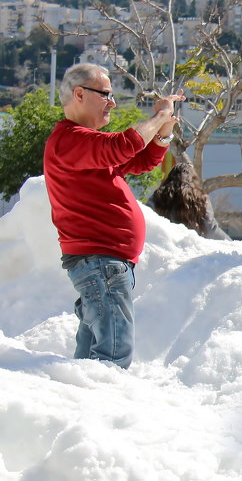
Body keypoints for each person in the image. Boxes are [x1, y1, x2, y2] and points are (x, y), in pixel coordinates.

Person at [43, 63, 184, 369]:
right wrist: (158, 116)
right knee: (112, 359)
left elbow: (143, 160)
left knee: (91, 361)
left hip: (103, 264)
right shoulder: (71, 140)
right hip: (101, 263)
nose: (112, 102)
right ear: (80, 93)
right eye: (106, 94)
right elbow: (124, 146)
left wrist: (166, 127)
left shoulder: (83, 144)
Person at [148, 162, 231, 240]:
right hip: (191, 248)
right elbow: (211, 229)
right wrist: (233, 244)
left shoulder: (157, 195)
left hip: (164, 245)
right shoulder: (200, 198)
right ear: (191, 179)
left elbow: (147, 219)